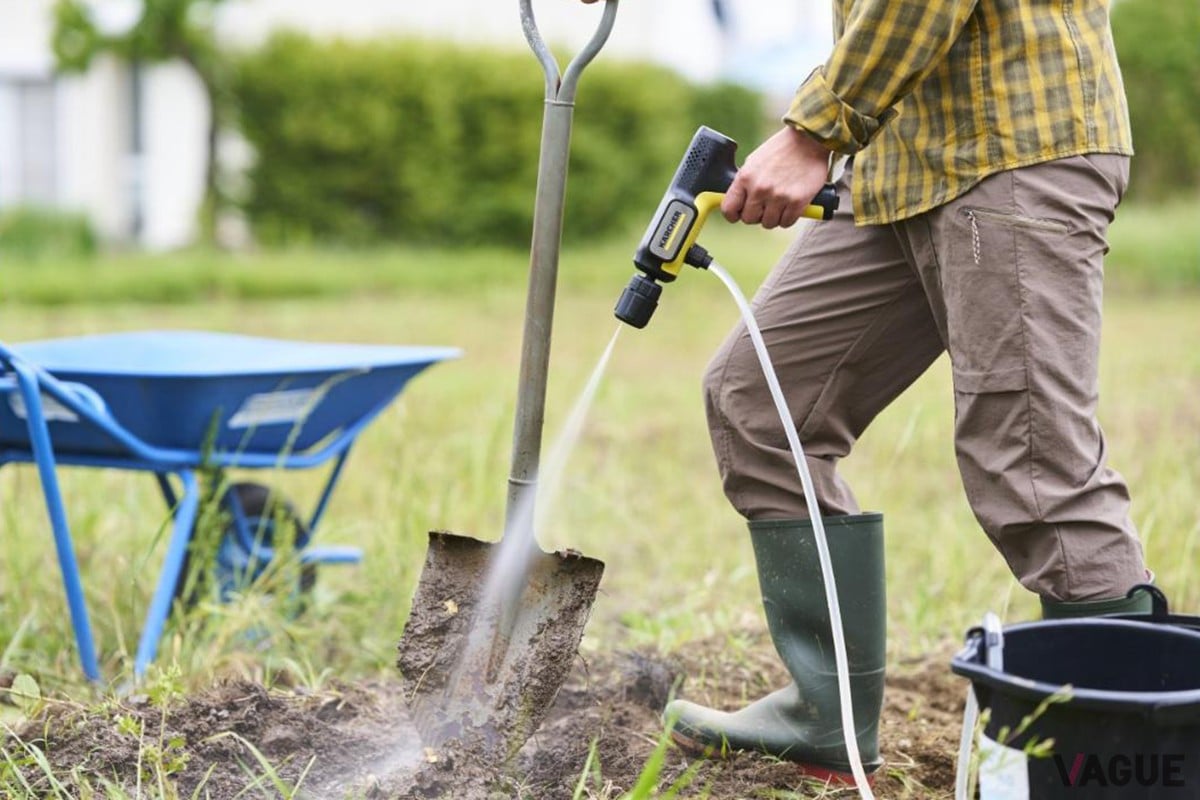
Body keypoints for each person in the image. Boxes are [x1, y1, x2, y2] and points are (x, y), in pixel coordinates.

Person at [584, 0, 1152, 784]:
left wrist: (813, 132)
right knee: (762, 399)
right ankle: (826, 713)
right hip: (898, 161)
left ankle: (1123, 753)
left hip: (1013, 142)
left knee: (1031, 462)